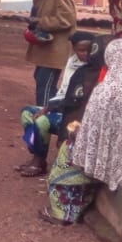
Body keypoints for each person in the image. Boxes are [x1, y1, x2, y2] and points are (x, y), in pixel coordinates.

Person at [42, 39, 122, 225]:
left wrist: (75, 135)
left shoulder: (107, 90)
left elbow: (91, 133)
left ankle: (64, 212)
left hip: (112, 160)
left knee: (66, 155)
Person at [17, 31, 95, 176]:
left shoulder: (95, 70)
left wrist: (48, 108)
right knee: (27, 113)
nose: (85, 54)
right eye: (81, 50)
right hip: (61, 107)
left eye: (89, 50)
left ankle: (38, 161)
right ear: (74, 50)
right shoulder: (73, 62)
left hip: (75, 114)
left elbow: (76, 99)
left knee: (41, 121)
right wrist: (50, 107)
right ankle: (38, 156)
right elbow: (64, 91)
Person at [26, 0, 77, 106]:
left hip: (55, 49)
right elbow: (38, 10)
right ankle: (44, 111)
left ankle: (45, 116)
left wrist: (40, 22)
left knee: (46, 84)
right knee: (40, 78)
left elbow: (66, 20)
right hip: (48, 49)